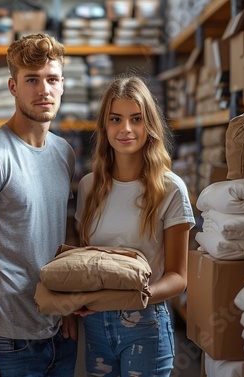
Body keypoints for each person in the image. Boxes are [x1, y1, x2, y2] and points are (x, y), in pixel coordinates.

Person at [0, 33, 77, 377]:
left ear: (63, 85)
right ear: (13, 86)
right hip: (9, 343)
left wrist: (67, 304)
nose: (44, 90)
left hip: (59, 332)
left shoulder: (63, 153)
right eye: (32, 80)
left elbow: (57, 234)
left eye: (52, 79)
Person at [74, 74, 195, 376]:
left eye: (136, 119)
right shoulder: (89, 187)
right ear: (104, 126)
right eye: (115, 119)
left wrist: (133, 297)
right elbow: (87, 261)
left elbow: (179, 277)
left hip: (145, 325)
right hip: (96, 324)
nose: (125, 129)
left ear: (149, 125)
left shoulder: (170, 189)